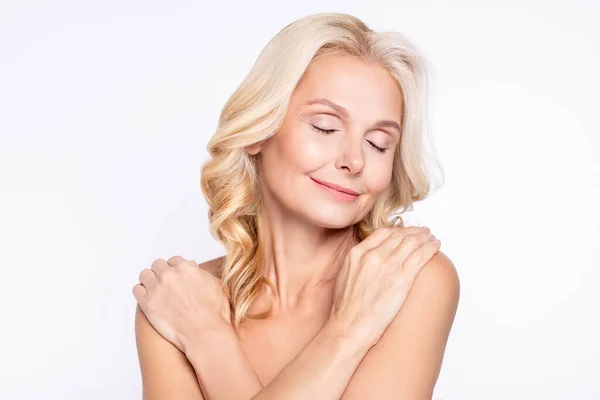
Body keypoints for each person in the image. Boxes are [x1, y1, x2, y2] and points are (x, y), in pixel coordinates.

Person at [132, 12, 460, 400]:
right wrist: (351, 333)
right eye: (325, 126)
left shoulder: (406, 277)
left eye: (378, 143)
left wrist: (209, 342)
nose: (354, 160)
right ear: (258, 131)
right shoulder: (178, 298)